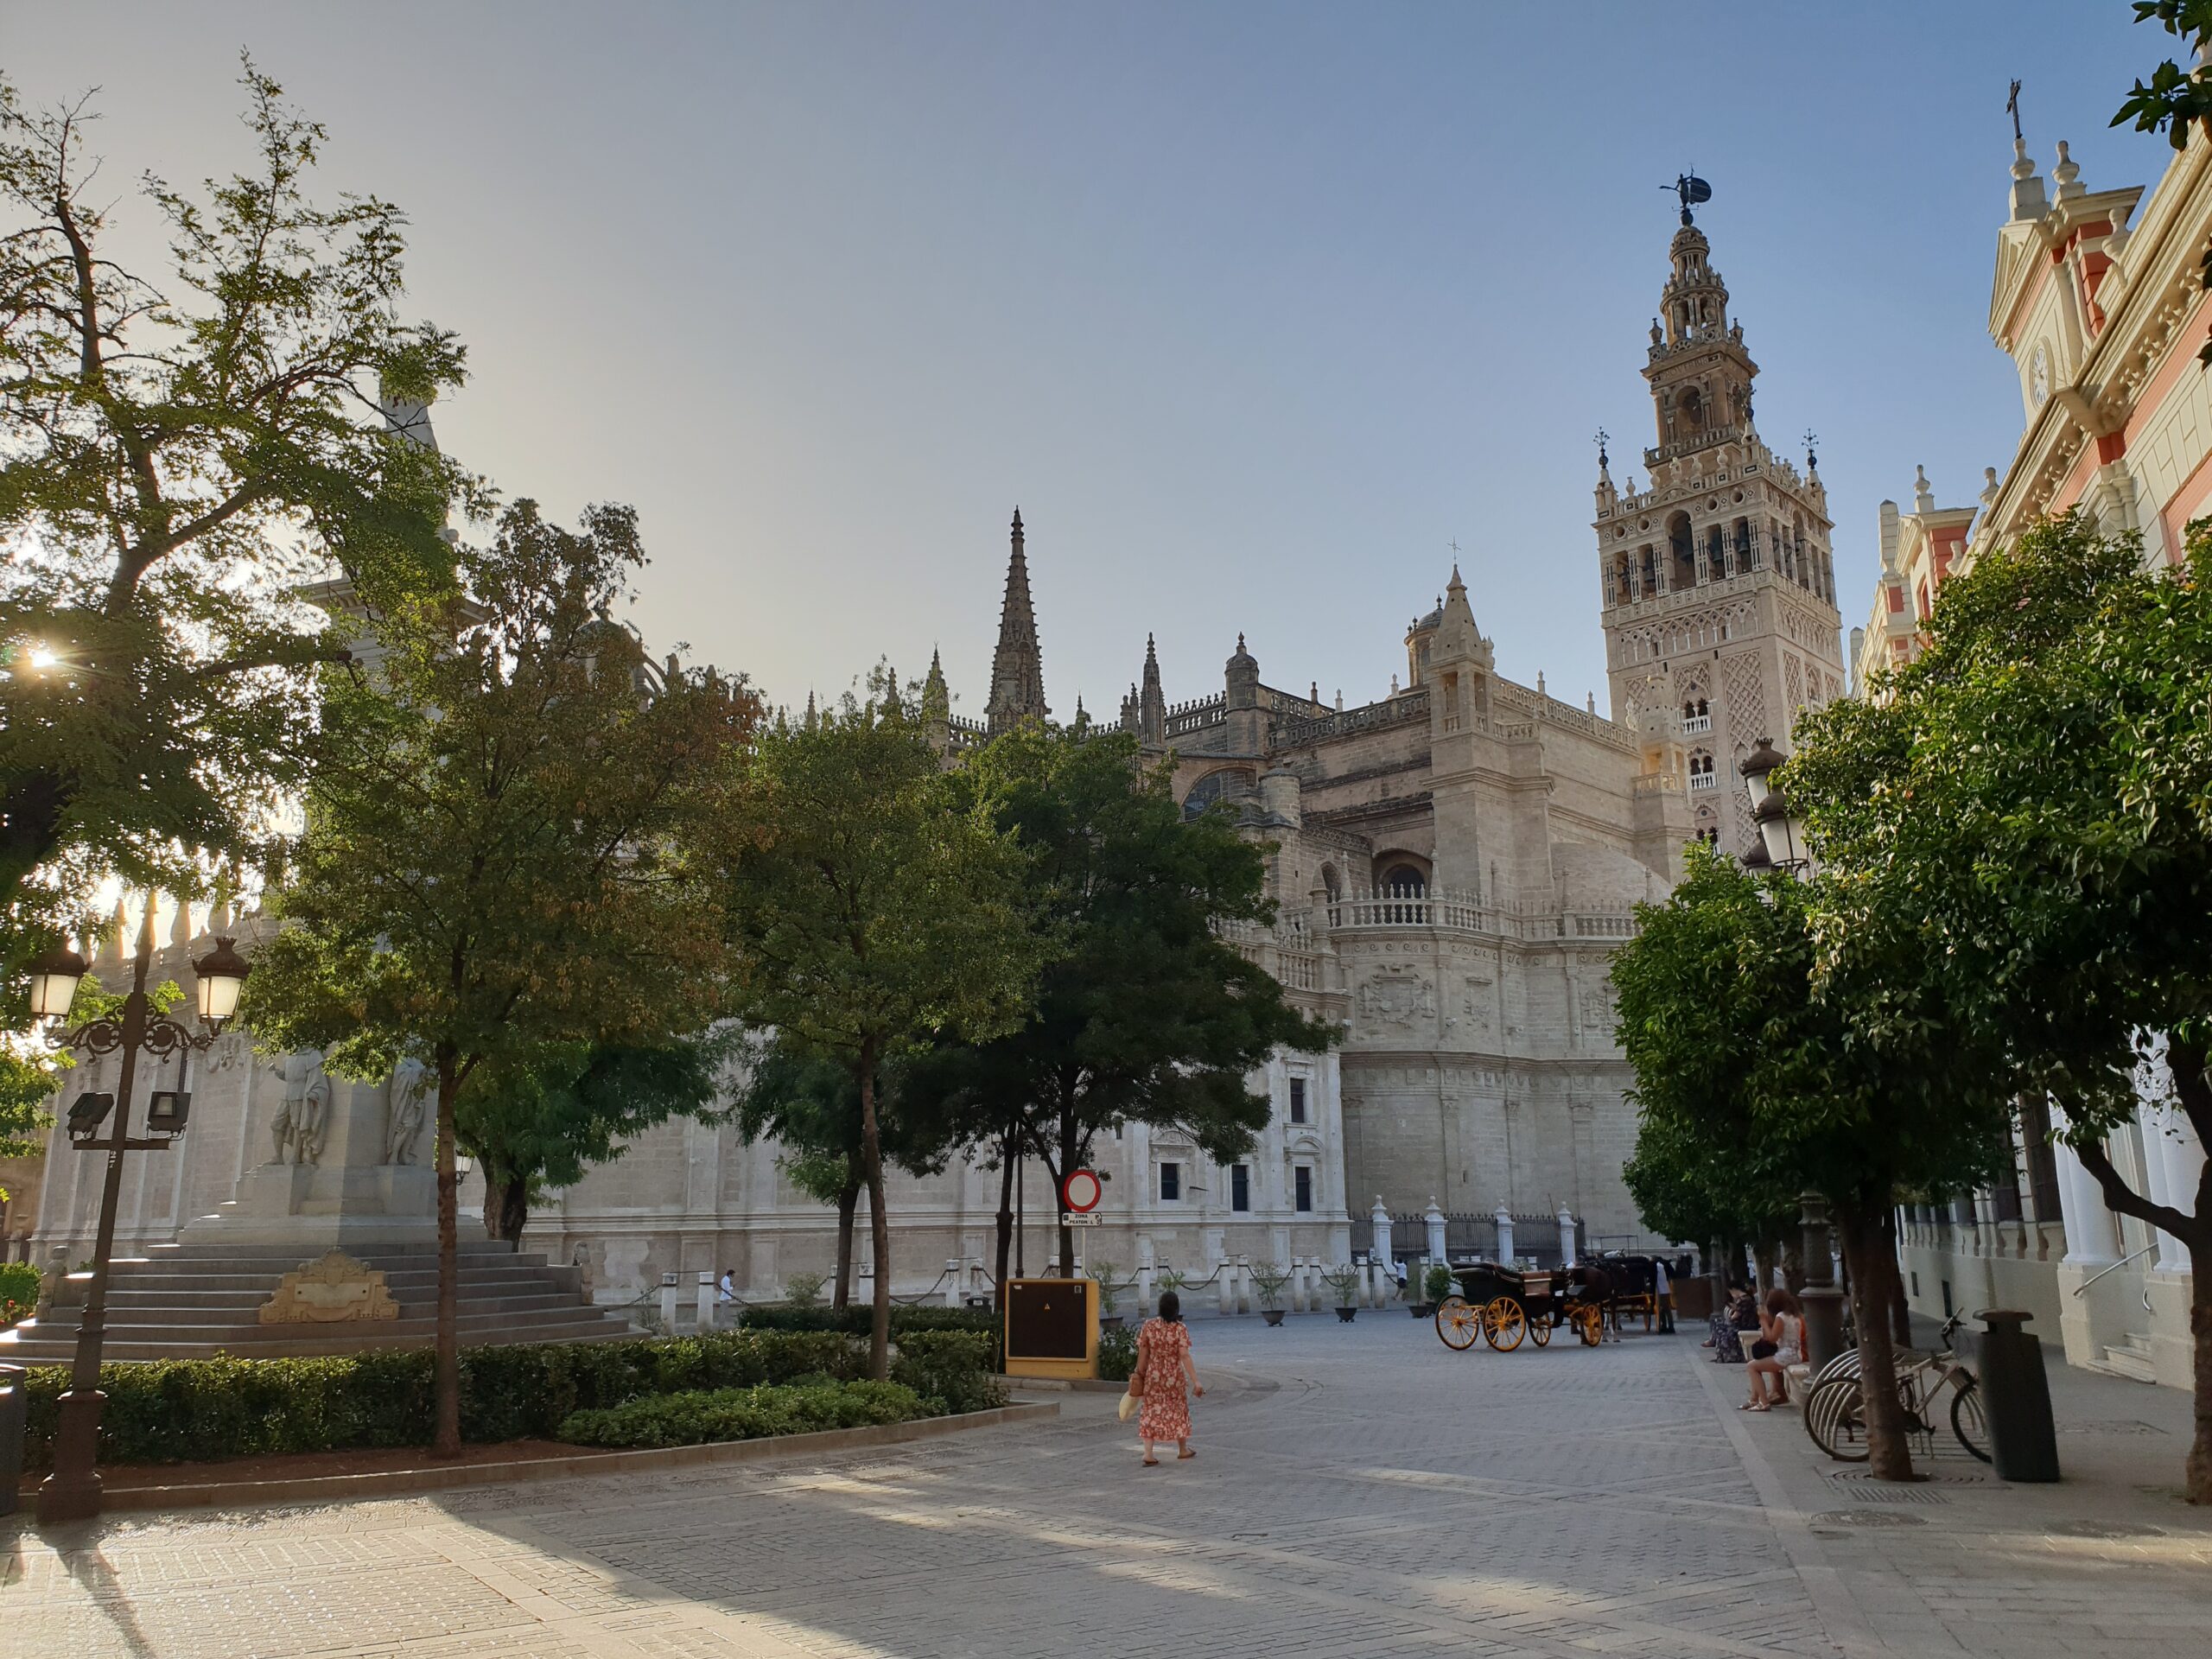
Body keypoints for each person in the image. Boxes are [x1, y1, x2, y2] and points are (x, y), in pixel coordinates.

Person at [1133, 1289, 1204, 1465]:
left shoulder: (1149, 1326)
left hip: (1153, 1375)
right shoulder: (1180, 1328)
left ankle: (1148, 1453)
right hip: (1174, 1376)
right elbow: (1184, 1355)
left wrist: (1139, 1372)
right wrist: (1196, 1380)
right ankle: (1182, 1449)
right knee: (1178, 1409)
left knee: (1151, 1410)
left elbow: (1143, 1351)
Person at [1743, 1287, 1804, 1410]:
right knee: (1756, 1365)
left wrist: (1764, 1322)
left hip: (1786, 1355)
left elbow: (1772, 1338)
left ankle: (1764, 1402)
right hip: (1793, 1354)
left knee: (1752, 1367)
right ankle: (1754, 1399)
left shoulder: (1781, 1317)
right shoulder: (1795, 1315)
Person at [1654, 1255, 1675, 1334]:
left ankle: (1669, 1326)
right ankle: (1666, 1326)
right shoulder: (1661, 1266)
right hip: (1664, 1290)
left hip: (1661, 1291)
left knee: (1665, 1309)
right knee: (1664, 1310)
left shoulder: (1657, 1266)